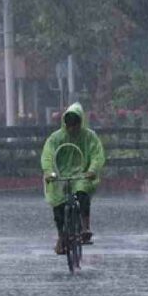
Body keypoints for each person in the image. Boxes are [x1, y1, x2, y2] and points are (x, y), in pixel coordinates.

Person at [41, 103, 105, 255]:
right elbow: (48, 155)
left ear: (80, 122)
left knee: (82, 193)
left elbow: (97, 154)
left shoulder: (89, 137)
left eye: (75, 124)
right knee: (58, 207)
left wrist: (92, 170)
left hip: (82, 174)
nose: (72, 128)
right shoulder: (56, 138)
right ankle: (61, 236)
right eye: (69, 125)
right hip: (60, 175)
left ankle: (85, 227)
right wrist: (49, 171)